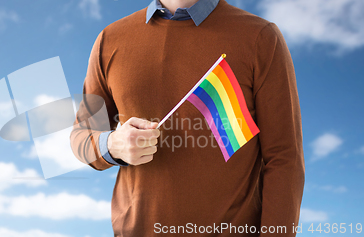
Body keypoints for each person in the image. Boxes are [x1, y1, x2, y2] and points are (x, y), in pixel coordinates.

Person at [70, 0, 305, 236]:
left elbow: (285, 158)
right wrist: (113, 145)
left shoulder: (260, 37)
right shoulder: (110, 39)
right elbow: (81, 136)